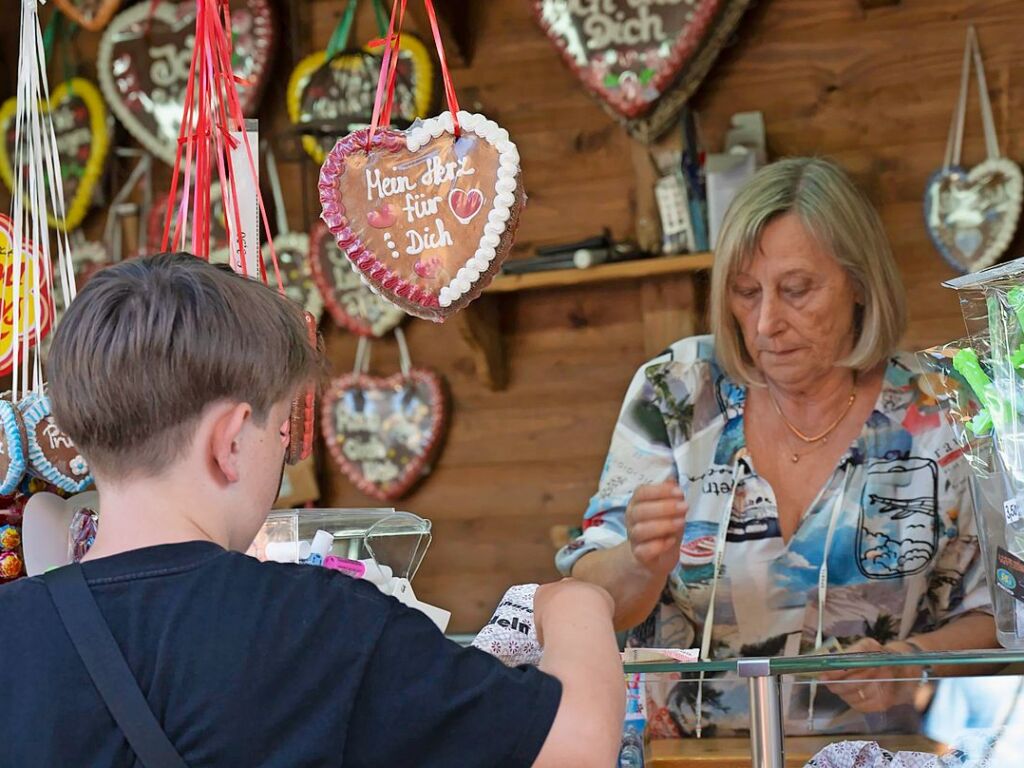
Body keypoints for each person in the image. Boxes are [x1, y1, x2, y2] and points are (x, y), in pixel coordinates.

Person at [3, 253, 624, 767]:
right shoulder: (324, 622)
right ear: (229, 441)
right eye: (279, 432)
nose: (283, 456)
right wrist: (577, 604)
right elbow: (576, 747)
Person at [557, 158, 997, 737]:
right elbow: (588, 601)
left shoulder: (941, 412)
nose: (765, 323)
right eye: (745, 292)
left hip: (866, 752)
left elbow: (996, 613)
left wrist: (908, 657)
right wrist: (638, 560)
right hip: (685, 758)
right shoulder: (678, 391)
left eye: (796, 290)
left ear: (861, 283)